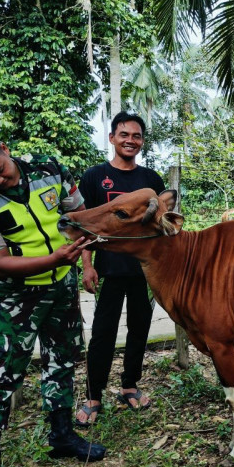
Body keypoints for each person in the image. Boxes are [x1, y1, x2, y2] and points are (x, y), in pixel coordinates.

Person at [0, 132, 106, 467]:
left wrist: (84, 262)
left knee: (62, 361)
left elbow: (79, 219)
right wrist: (54, 259)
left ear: (6, 150)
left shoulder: (49, 170)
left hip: (62, 287)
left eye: (0, 171)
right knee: (1, 373)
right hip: (15, 297)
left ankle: (62, 435)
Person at [75, 112, 165, 427]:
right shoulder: (94, 177)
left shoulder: (151, 180)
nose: (130, 140)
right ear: (112, 137)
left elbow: (160, 228)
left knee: (140, 329)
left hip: (144, 271)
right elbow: (87, 225)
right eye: (124, 134)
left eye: (136, 136)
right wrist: (87, 266)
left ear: (142, 142)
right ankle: (93, 396)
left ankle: (129, 385)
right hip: (109, 270)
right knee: (103, 333)